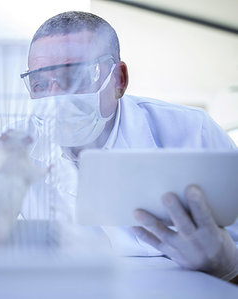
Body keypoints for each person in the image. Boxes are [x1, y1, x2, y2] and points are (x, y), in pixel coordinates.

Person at [18, 11, 238, 282]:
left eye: (73, 79)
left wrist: (229, 266)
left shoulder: (192, 132)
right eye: (40, 84)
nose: (55, 100)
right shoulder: (15, 151)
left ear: (119, 79)